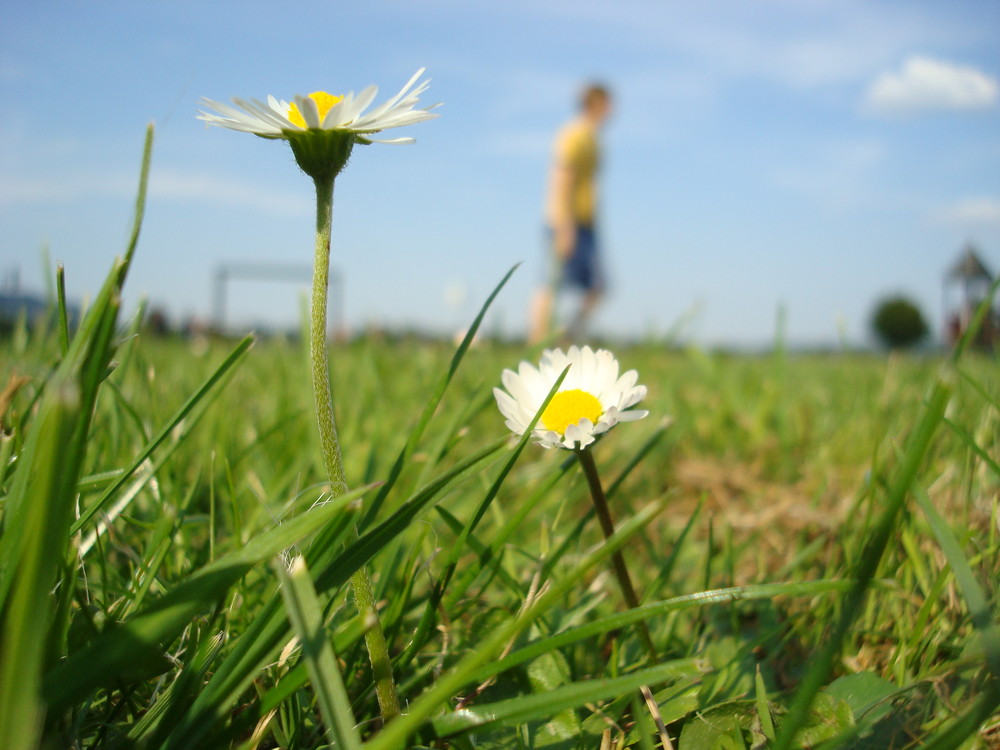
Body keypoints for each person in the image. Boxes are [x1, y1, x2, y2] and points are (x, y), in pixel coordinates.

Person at [529, 83, 612, 344]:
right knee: (551, 282)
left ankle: (568, 336)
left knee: (598, 286)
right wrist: (565, 226)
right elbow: (561, 176)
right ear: (596, 104)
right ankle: (536, 344)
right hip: (566, 220)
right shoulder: (573, 134)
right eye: (609, 104)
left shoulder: (594, 139)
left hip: (587, 223)